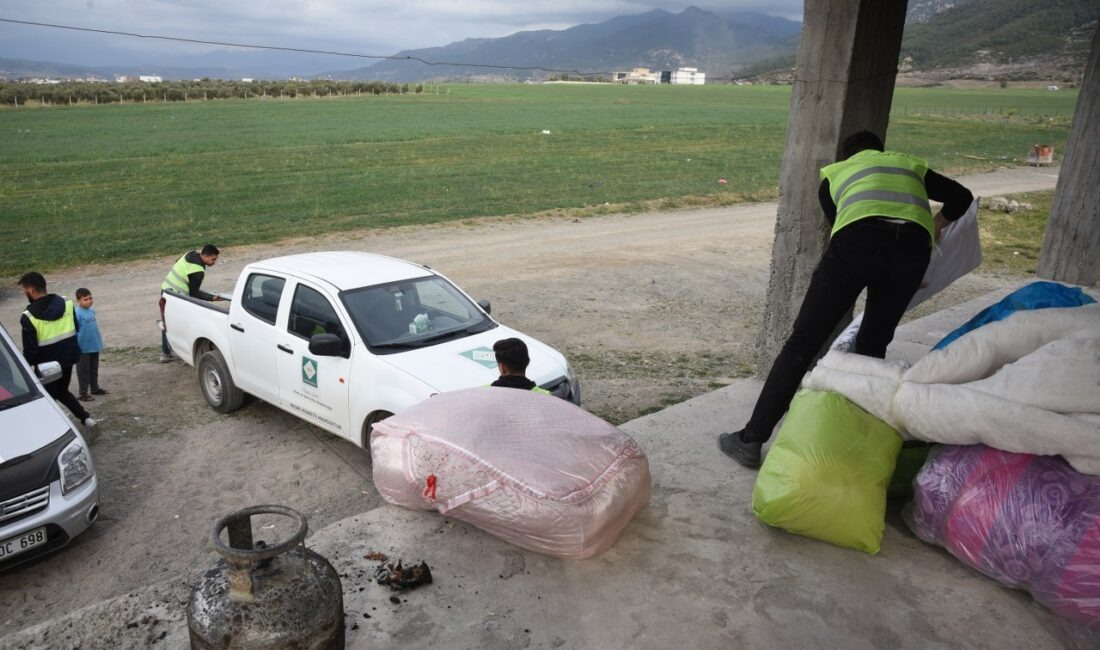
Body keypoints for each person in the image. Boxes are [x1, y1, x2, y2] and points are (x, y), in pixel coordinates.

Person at [718, 130, 974, 469]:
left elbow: (840, 225)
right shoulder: (906, 165)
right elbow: (962, 197)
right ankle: (851, 442)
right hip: (912, 251)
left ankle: (751, 441)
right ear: (881, 151)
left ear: (848, 155)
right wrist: (935, 224)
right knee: (873, 346)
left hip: (857, 244)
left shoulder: (836, 175)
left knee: (802, 344)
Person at [18, 272, 99, 440]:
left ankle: (57, 432)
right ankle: (86, 419)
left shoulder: (29, 317)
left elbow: (30, 349)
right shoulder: (67, 304)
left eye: (24, 290)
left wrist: (26, 368)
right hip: (68, 359)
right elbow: (75, 328)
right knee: (62, 391)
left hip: (46, 366)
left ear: (31, 291)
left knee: (48, 398)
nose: (24, 293)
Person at [159, 244, 221, 362]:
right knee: (177, 323)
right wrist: (212, 298)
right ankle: (172, 353)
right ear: (205, 256)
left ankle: (166, 353)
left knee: (167, 321)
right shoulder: (198, 271)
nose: (215, 262)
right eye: (213, 259)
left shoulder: (190, 254)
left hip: (166, 289)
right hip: (175, 297)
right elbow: (194, 294)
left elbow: (179, 265)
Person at [74, 287, 107, 401]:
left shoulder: (92, 311)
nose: (89, 301)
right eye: (85, 299)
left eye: (90, 298)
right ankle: (83, 393)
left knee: (93, 369)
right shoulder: (76, 313)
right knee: (83, 371)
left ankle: (94, 388)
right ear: (78, 300)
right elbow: (74, 331)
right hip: (82, 348)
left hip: (94, 346)